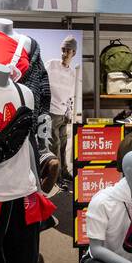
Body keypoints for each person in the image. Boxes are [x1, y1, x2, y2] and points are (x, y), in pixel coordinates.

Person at [47, 36, 77, 173]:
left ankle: (64, 172)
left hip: (64, 114)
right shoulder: (51, 64)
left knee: (64, 145)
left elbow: (70, 95)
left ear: (74, 53)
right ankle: (56, 176)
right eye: (63, 50)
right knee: (55, 145)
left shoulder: (72, 73)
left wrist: (69, 111)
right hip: (51, 112)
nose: (64, 53)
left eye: (68, 51)